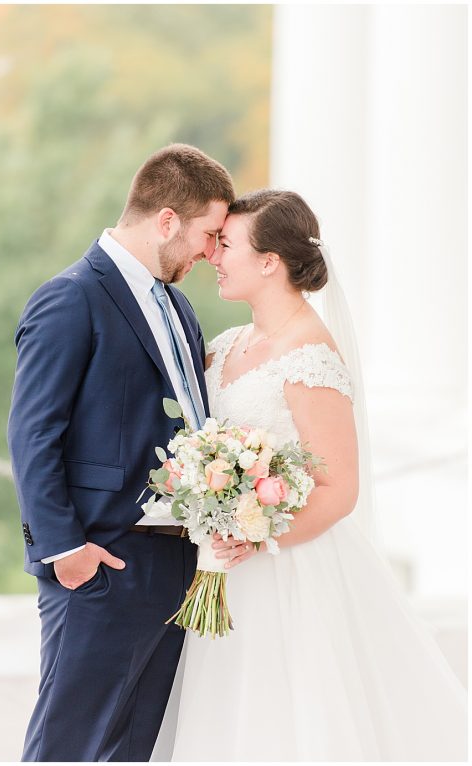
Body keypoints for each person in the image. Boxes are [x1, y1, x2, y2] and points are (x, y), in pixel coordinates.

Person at [154, 189, 466, 760]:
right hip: (228, 568)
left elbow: (339, 489)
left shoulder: (309, 355)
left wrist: (256, 530)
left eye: (226, 245)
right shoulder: (227, 347)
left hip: (290, 571)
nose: (213, 257)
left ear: (270, 261)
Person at [7, 143, 234, 761]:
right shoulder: (69, 297)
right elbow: (33, 434)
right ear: (167, 220)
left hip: (176, 566)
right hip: (98, 564)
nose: (210, 252)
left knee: (134, 751)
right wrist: (64, 551)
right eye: (208, 234)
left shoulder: (180, 308)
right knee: (67, 748)